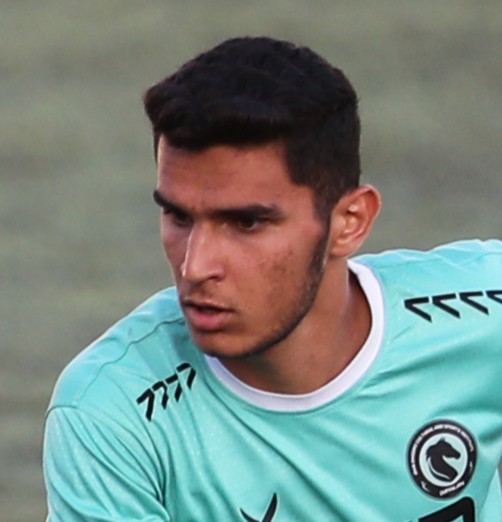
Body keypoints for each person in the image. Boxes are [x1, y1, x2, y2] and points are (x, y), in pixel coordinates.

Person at [43, 36, 502, 521]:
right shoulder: (112, 415)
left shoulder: (484, 313)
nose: (195, 267)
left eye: (246, 223)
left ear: (350, 222)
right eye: (178, 216)